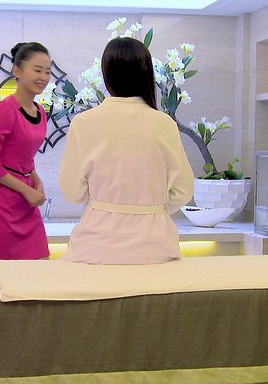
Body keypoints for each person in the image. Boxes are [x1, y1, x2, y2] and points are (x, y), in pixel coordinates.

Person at [58, 37, 194, 264]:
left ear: (106, 74)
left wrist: (106, 202)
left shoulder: (84, 123)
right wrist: (150, 209)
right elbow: (183, 191)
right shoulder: (164, 124)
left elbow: (72, 192)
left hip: (95, 247)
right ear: (146, 73)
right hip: (155, 248)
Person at [0, 42, 50, 260]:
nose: (43, 77)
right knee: (2, 268)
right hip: (1, 200)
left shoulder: (40, 112)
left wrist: (36, 181)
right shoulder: (5, 109)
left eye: (47, 72)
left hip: (25, 199)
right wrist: (26, 190)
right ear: (17, 70)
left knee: (39, 262)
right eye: (37, 70)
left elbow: (24, 156)